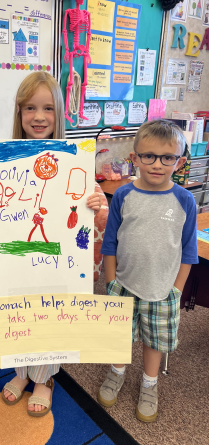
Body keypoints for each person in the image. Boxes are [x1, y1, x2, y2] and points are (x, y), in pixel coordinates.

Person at [0, 71, 109, 417]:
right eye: (30, 108)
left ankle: (44, 379)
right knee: (19, 311)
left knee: (51, 314)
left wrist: (96, 205)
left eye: (48, 108)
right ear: (19, 113)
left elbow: (99, 220)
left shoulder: (74, 160)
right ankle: (22, 373)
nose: (39, 117)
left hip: (59, 262)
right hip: (17, 262)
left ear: (59, 113)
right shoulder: (2, 162)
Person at [98, 120, 198, 423]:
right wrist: (112, 281)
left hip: (164, 289)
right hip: (124, 285)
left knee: (154, 341)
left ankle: (149, 383)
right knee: (120, 335)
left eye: (167, 157)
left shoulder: (185, 200)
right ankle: (117, 373)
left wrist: (177, 289)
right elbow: (111, 241)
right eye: (149, 156)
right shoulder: (124, 196)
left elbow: (189, 250)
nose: (157, 164)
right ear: (135, 158)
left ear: (179, 161)